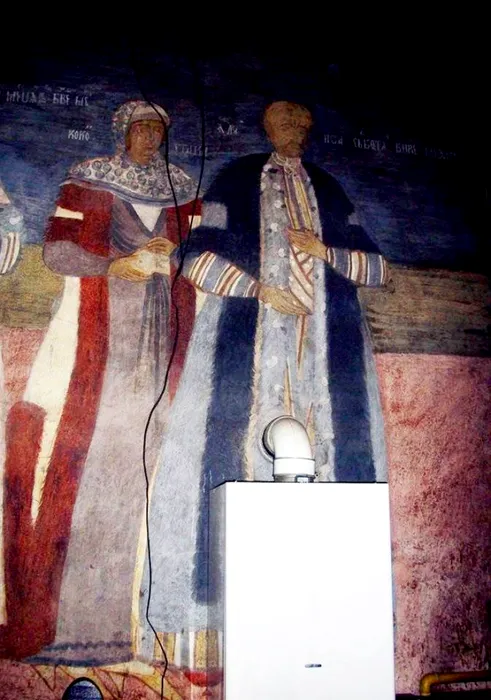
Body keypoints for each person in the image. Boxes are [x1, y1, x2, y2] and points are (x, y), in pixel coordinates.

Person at [141, 101, 390, 669]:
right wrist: (258, 288)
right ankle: (221, 624)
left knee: (330, 464)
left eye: (302, 124)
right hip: (245, 340)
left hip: (328, 352)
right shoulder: (235, 178)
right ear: (267, 128)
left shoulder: (330, 188)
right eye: (284, 123)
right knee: (230, 453)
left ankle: (326, 623)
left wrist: (324, 252)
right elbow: (195, 255)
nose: (294, 131)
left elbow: (378, 267)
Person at [0, 100, 200, 663]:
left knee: (155, 463)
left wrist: (171, 255)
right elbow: (58, 252)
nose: (149, 137)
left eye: (158, 129)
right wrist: (115, 265)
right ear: (122, 132)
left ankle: (146, 633)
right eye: (140, 128)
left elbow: (204, 253)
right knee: (83, 460)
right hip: (96, 334)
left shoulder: (183, 187)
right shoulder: (89, 177)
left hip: (162, 339)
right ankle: (71, 629)